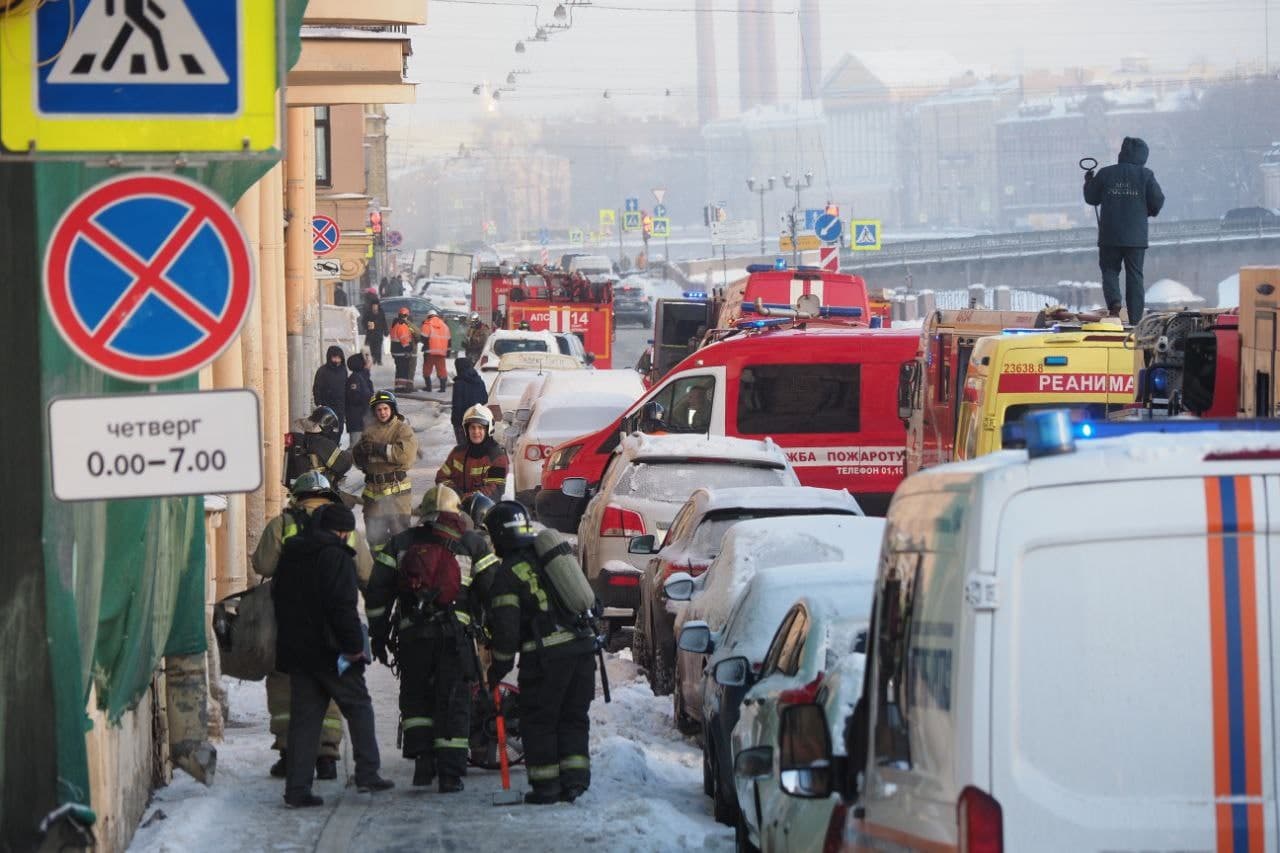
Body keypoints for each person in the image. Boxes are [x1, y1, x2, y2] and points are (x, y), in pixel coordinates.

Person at [366, 486, 497, 792]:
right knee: (454, 699)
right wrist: (492, 634)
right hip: (456, 638)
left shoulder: (400, 543)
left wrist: (379, 635)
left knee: (417, 697)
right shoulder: (473, 543)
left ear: (422, 514)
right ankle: (450, 774)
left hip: (413, 636)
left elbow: (376, 595)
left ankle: (423, 765)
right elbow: (493, 593)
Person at [252, 472, 374, 781]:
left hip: (290, 620)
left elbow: (263, 566)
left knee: (286, 688)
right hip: (333, 628)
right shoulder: (345, 528)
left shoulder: (282, 524)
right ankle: (328, 756)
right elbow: (366, 575)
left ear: (297, 495)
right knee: (334, 691)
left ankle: (289, 755)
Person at [271, 503, 394, 807]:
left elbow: (278, 599)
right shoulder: (336, 558)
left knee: (304, 721)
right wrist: (354, 648)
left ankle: (297, 790)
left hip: (298, 652)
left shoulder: (291, 555)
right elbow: (342, 608)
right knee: (359, 707)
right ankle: (367, 772)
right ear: (342, 532)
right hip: (332, 652)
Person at [484, 501, 596, 804]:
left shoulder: (507, 573)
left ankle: (546, 787)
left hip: (547, 660)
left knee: (540, 720)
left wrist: (499, 667)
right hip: (583, 650)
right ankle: (574, 783)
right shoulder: (547, 557)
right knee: (573, 718)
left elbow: (506, 631)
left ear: (498, 536)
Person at [1083, 136, 1165, 323]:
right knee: (1135, 276)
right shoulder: (1146, 175)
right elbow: (1157, 201)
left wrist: (1089, 180)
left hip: (1109, 235)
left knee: (1110, 270)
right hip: (1136, 238)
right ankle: (1135, 320)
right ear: (1143, 156)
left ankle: (1114, 305)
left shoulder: (1105, 174)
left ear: (1122, 153)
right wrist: (1147, 212)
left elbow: (1091, 198)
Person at [353, 390, 419, 547]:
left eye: (385, 409)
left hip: (397, 498)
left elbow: (406, 455)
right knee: (376, 542)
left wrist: (380, 448)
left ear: (392, 409)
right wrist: (359, 453)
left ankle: (401, 571)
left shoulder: (402, 430)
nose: (382, 413)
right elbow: (359, 462)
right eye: (379, 409)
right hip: (373, 498)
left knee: (401, 541)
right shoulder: (369, 431)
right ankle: (380, 569)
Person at [435, 404, 508, 502]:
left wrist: (467, 498)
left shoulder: (497, 457)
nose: (475, 431)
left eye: (480, 427)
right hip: (455, 506)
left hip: (483, 510)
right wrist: (454, 492)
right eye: (472, 427)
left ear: (488, 429)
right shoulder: (457, 453)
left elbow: (494, 489)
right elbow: (441, 477)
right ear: (467, 430)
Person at [284, 406, 353, 492]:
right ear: (327, 428)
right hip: (317, 490)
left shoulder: (297, 438)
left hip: (293, 488)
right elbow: (343, 464)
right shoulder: (322, 443)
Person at [450, 357, 488, 446]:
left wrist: (455, 420)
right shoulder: (479, 381)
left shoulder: (458, 383)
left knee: (463, 448)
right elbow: (485, 398)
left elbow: (457, 405)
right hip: (478, 418)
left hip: (462, 420)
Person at [313, 346, 348, 437]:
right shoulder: (322, 371)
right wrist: (319, 404)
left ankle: (335, 450)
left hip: (340, 408)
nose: (337, 360)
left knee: (338, 432)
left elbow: (345, 388)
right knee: (328, 433)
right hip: (327, 408)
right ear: (329, 357)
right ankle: (329, 450)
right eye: (334, 357)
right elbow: (317, 389)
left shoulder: (343, 371)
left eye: (339, 358)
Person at [345, 353, 375, 448]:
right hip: (357, 420)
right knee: (355, 447)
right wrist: (368, 399)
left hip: (364, 419)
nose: (370, 362)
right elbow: (355, 397)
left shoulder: (363, 377)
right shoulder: (355, 378)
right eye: (366, 361)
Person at [421, 309, 452, 394]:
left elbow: (423, 338)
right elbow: (449, 341)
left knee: (427, 370)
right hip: (441, 353)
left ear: (428, 316)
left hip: (430, 352)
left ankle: (428, 387)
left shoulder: (427, 324)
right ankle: (443, 388)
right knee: (442, 370)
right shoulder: (445, 326)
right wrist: (448, 352)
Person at [389, 307, 418, 393]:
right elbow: (404, 341)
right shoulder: (402, 326)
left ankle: (398, 386)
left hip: (395, 351)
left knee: (399, 370)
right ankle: (402, 388)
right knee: (403, 370)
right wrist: (410, 348)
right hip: (401, 351)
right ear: (406, 316)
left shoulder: (394, 324)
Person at [360, 290, 388, 366]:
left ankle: (378, 360)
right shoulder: (368, 313)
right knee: (372, 347)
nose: (375, 307)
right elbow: (363, 321)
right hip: (371, 332)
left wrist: (386, 331)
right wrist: (367, 325)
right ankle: (374, 359)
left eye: (376, 305)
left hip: (379, 332)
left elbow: (384, 321)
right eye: (373, 305)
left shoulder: (381, 312)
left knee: (378, 346)